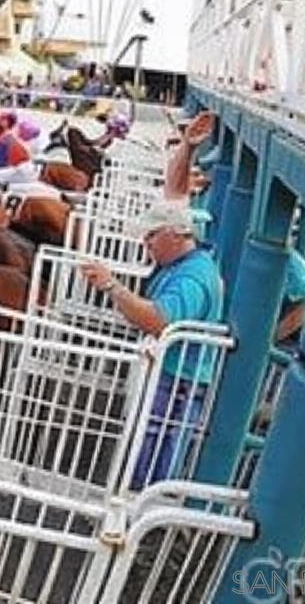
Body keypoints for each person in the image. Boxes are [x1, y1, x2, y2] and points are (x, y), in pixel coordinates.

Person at [79, 200, 224, 487]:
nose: (146, 243)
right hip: (178, 375)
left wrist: (112, 286)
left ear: (177, 233)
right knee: (151, 444)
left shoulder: (192, 277)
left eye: (151, 235)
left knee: (153, 449)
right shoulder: (189, 266)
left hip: (178, 380)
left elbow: (158, 320)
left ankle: (141, 506)